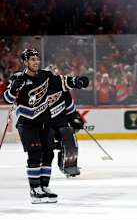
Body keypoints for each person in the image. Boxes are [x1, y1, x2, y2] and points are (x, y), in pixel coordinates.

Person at [2, 49, 89, 203]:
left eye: (37, 59)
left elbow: (62, 81)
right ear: (25, 62)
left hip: (45, 122)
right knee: (35, 154)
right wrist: (14, 87)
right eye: (32, 59)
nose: (36, 62)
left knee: (48, 154)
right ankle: (34, 189)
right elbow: (7, 99)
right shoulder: (18, 78)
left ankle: (44, 186)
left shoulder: (46, 76)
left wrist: (77, 82)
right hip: (28, 123)